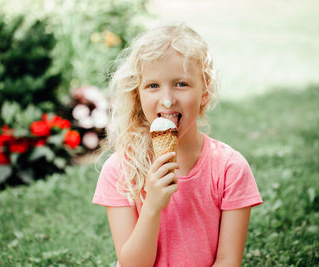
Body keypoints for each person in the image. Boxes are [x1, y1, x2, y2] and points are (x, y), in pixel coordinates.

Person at [92, 23, 263, 267]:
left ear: (205, 91)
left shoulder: (229, 168)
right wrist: (151, 206)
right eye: (153, 85)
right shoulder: (120, 170)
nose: (168, 99)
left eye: (181, 84)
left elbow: (228, 260)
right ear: (137, 95)